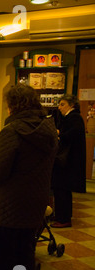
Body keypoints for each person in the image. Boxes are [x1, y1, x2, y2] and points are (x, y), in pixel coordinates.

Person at [0, 84, 58, 270]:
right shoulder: (47, 127)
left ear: (13, 105)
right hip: (35, 200)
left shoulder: (12, 131)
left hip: (11, 206)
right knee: (23, 254)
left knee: (10, 256)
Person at [51, 94, 86, 228]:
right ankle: (61, 215)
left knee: (62, 189)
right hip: (68, 161)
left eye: (62, 104)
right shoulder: (72, 117)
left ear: (71, 105)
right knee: (61, 190)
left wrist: (59, 134)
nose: (59, 107)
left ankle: (64, 218)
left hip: (67, 162)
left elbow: (73, 134)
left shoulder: (74, 117)